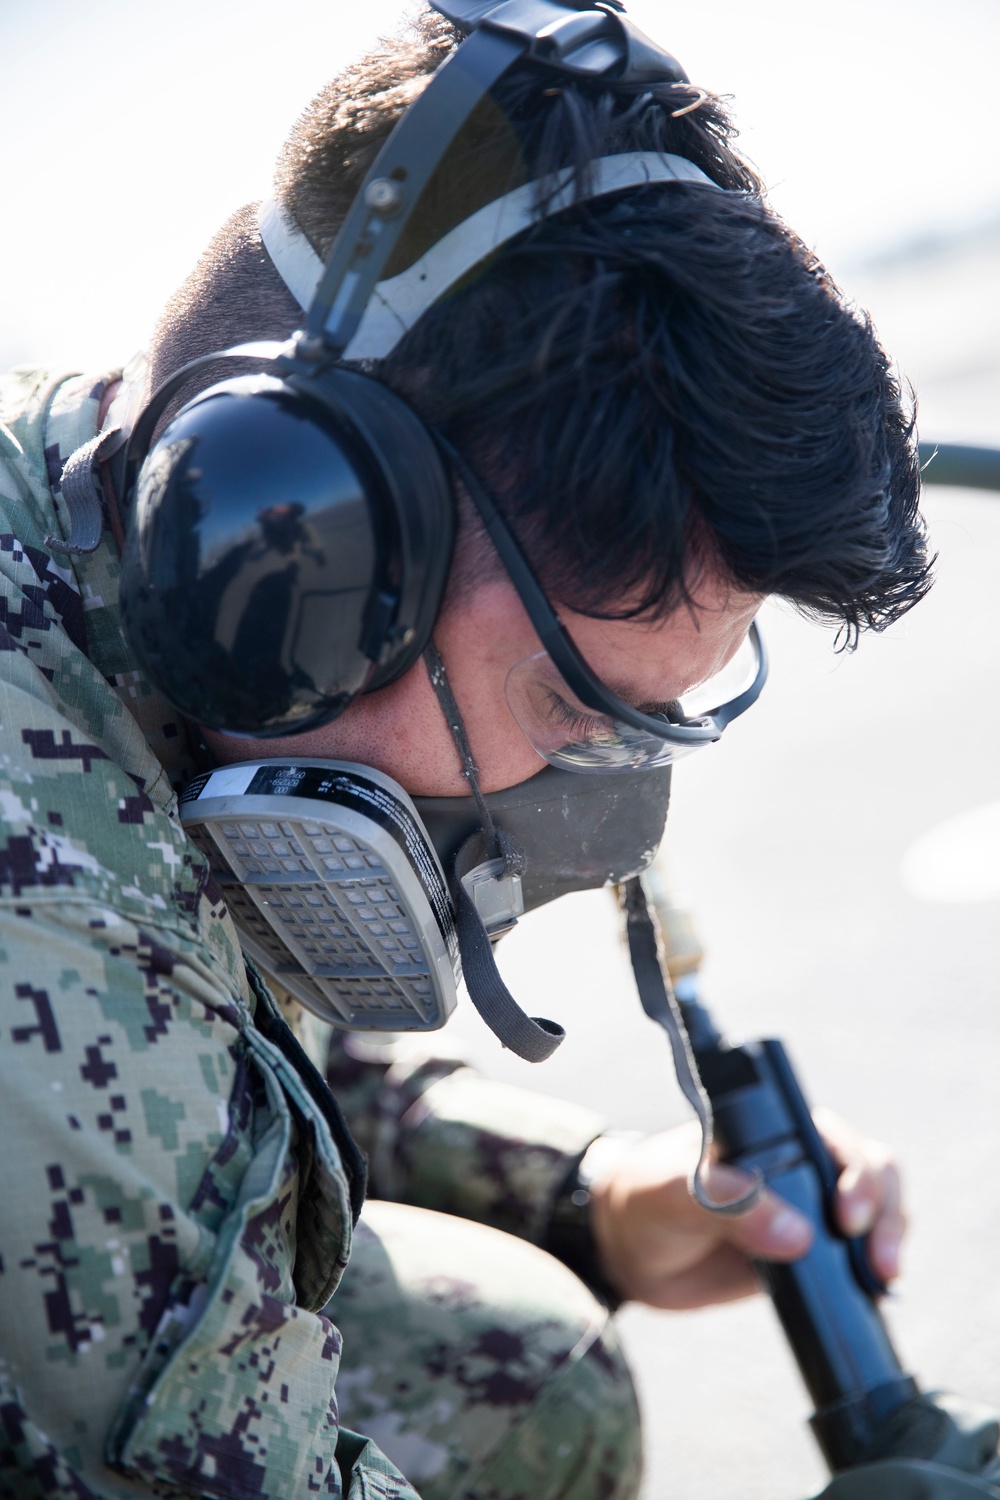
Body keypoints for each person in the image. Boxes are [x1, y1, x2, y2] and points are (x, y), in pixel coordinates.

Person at [0, 5, 942, 1499]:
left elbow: (206, 1052)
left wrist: (596, 1201)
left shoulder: (99, 533)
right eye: (572, 708)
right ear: (286, 546)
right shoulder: (29, 901)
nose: (587, 813)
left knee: (520, 1372)